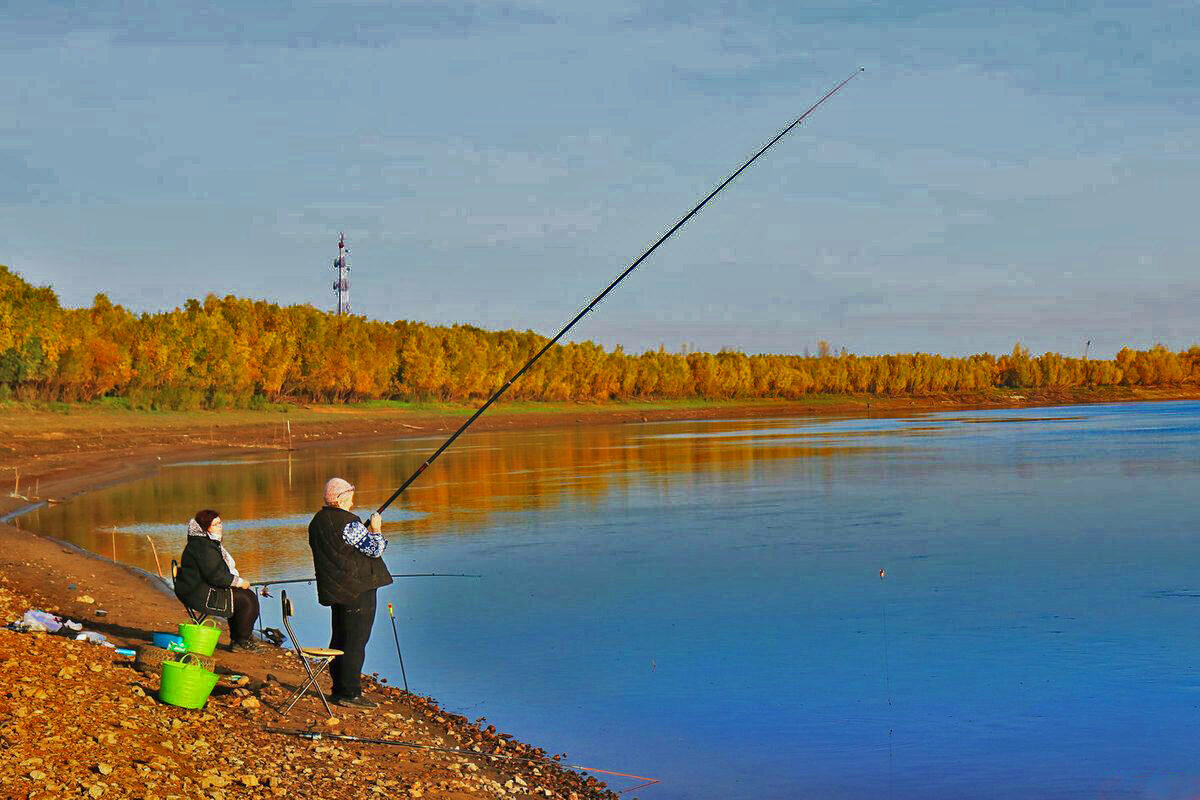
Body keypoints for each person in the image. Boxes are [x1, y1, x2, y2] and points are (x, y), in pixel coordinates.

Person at [308, 477, 392, 708]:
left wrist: (360, 535)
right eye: (351, 497)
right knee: (355, 641)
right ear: (342, 498)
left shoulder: (317, 521)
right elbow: (375, 550)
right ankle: (351, 693)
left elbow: (339, 549)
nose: (353, 503)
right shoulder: (349, 523)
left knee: (339, 638)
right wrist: (376, 530)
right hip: (358, 590)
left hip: (336, 590)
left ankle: (339, 689)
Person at [174, 509, 263, 652]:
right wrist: (240, 582)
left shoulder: (205, 543)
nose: (220, 527)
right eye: (216, 524)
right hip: (198, 592)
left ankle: (239, 638)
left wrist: (237, 582)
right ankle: (241, 641)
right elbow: (216, 575)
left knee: (242, 595)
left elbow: (217, 574)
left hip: (197, 587)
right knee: (248, 599)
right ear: (206, 528)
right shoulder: (203, 546)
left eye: (220, 523)